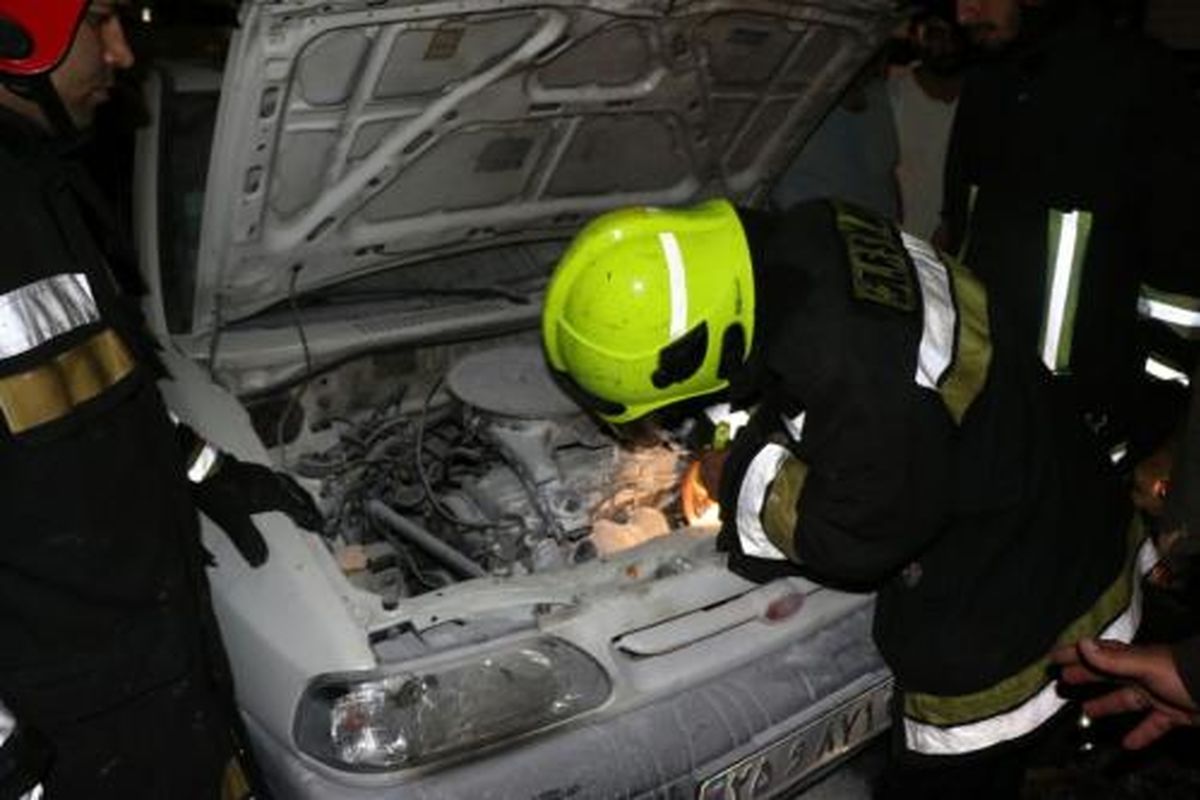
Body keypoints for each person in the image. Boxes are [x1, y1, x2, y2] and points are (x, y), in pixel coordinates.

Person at [542, 197, 1147, 798]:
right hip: (1047, 482)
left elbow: (857, 534)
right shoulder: (815, 229)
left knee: (948, 782)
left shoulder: (858, 373)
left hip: (1023, 596)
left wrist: (730, 475)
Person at [0, 3, 321, 798]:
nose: (122, 52)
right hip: (63, 736)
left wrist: (206, 471)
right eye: (100, 20)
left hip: (156, 685)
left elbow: (97, 401)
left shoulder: (41, 191)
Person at [940, 0, 1200, 466]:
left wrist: (1146, 418)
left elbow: (1179, 278)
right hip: (982, 411)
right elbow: (959, 235)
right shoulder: (988, 85)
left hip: (1090, 433)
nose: (963, 15)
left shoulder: (1143, 83)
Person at [772, 55, 899, 220]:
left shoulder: (876, 96)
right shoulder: (800, 100)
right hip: (816, 227)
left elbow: (885, 173)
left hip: (873, 230)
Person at [888, 3, 966, 240]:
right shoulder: (893, 89)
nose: (946, 45)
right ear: (914, 35)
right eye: (935, 34)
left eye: (955, 35)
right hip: (897, 239)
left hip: (954, 246)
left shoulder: (980, 99)